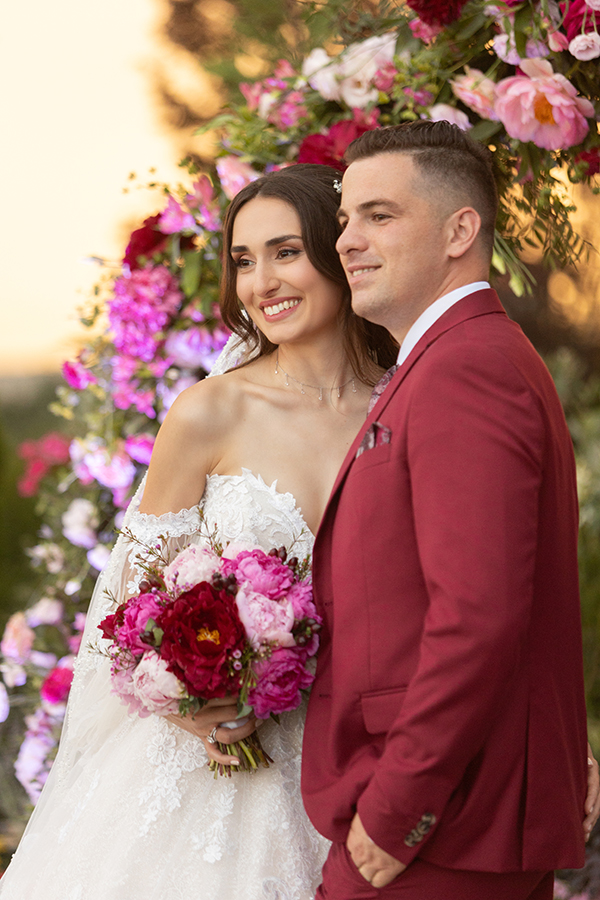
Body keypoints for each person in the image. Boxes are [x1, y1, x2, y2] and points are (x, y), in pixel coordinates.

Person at [0, 164, 397, 900]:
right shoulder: (209, 412)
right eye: (243, 261)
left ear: (338, 251)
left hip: (354, 763)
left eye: (284, 252)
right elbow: (127, 611)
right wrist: (196, 703)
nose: (259, 283)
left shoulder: (404, 406)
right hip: (210, 771)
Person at [301, 119, 600, 900]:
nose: (348, 242)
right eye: (344, 221)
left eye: (380, 215)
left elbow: (480, 614)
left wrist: (398, 810)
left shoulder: (467, 368)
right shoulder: (449, 360)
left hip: (444, 825)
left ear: (461, 229)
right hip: (461, 812)